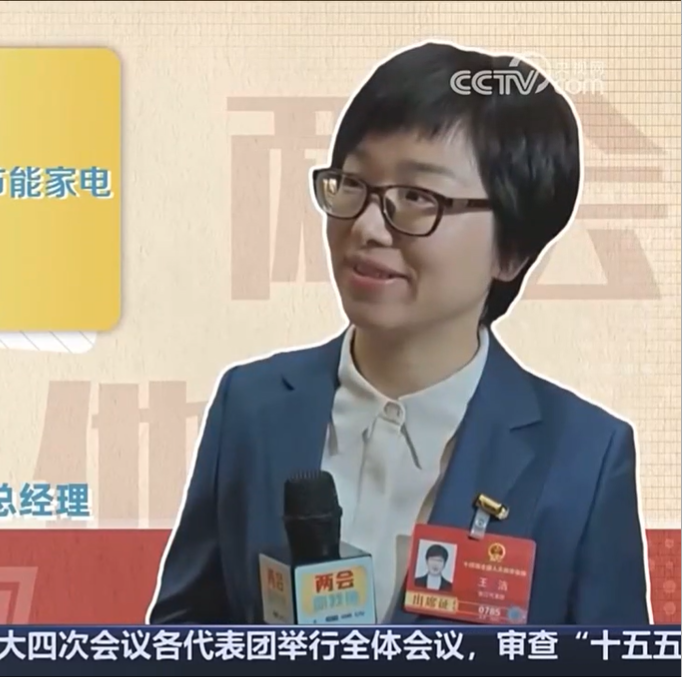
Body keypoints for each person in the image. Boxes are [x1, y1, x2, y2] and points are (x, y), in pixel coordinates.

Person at [147, 41, 650, 625]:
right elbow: (183, 636)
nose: (366, 226)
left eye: (416, 197)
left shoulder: (584, 458)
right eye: (352, 184)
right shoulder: (251, 407)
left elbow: (613, 657)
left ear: (510, 250)